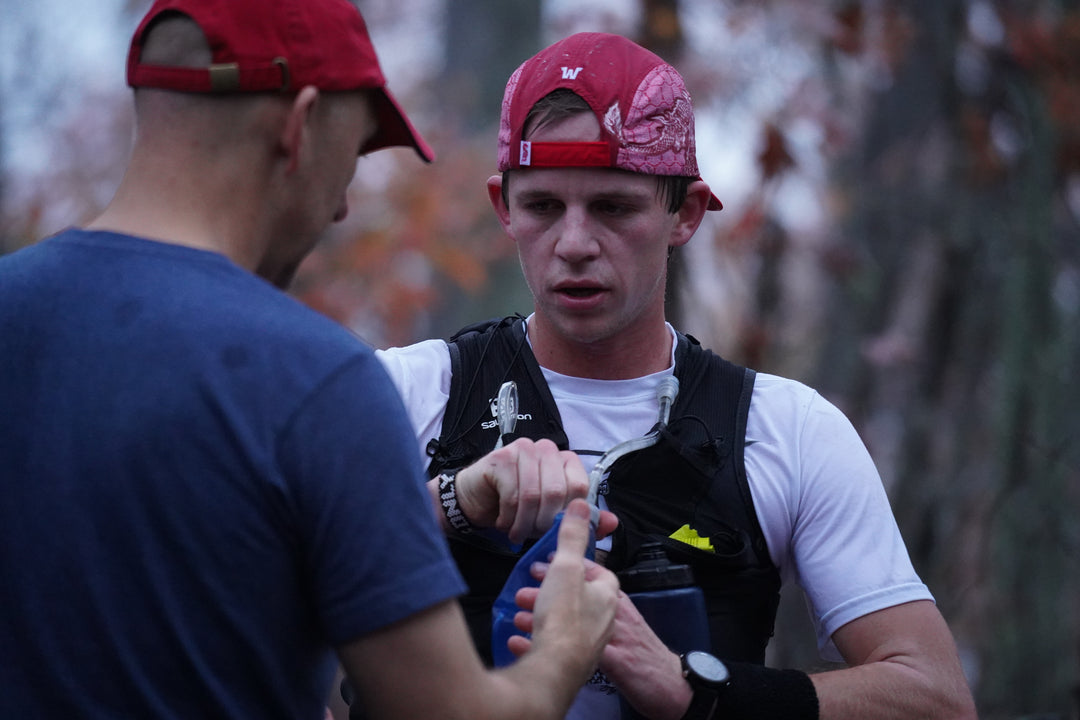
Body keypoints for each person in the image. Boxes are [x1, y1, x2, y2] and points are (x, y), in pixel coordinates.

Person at [0, 3, 621, 718]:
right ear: (298, 127)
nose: (341, 210)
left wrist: (447, 500)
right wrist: (563, 649)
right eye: (350, 158)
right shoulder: (315, 381)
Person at [376, 32, 979, 720]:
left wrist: (699, 692)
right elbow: (277, 584)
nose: (573, 244)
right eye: (543, 206)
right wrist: (452, 502)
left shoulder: (787, 431)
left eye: (613, 207)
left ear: (685, 214)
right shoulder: (406, 393)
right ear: (503, 207)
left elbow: (936, 698)